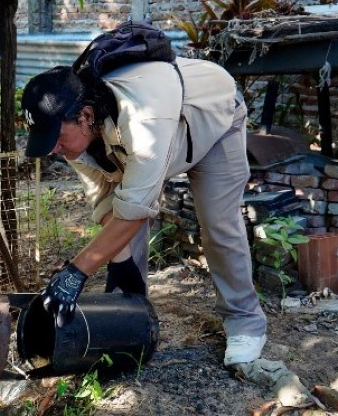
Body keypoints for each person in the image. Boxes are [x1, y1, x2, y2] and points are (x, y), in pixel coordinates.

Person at [22, 55, 267, 370]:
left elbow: (136, 210)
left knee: (218, 223)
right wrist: (122, 266)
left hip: (213, 119)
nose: (53, 149)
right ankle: (131, 318)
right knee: (121, 235)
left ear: (85, 117)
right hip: (152, 138)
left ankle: (245, 322)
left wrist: (75, 272)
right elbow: (106, 201)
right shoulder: (74, 133)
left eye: (56, 137)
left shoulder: (142, 121)